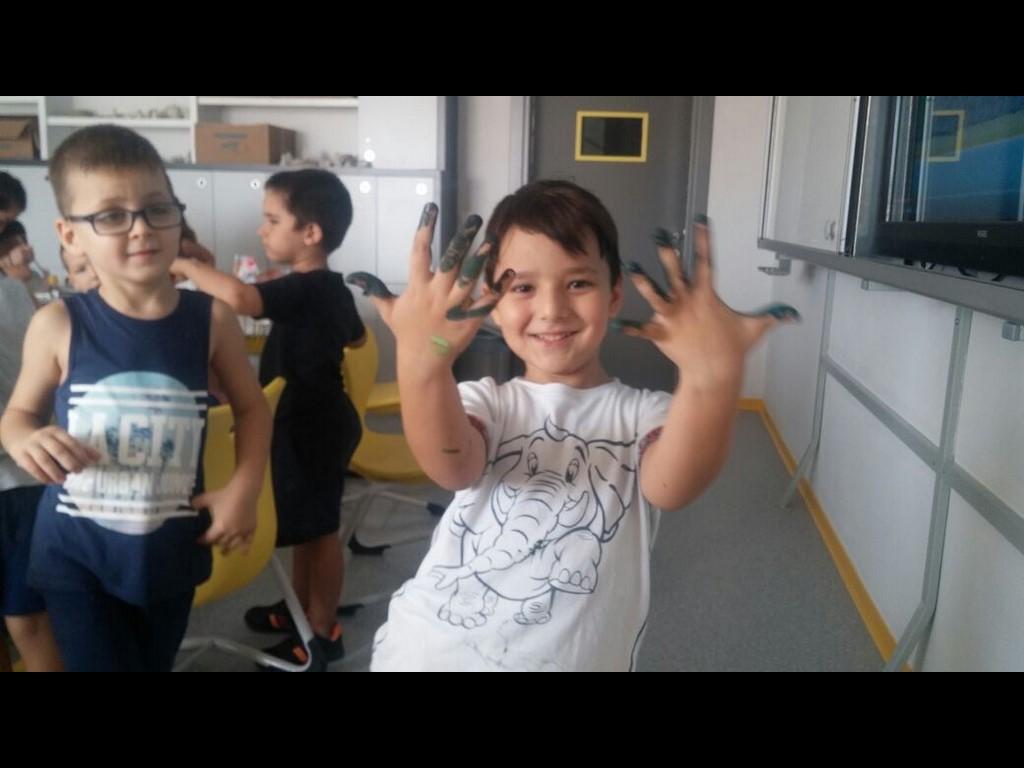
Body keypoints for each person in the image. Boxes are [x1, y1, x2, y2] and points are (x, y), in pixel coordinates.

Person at [350, 179, 798, 671]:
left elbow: (673, 487)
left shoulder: (643, 416)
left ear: (614, 294)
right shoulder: (486, 403)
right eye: (523, 287)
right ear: (492, 302)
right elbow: (451, 467)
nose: (552, 310)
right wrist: (421, 366)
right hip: (429, 651)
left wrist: (709, 382)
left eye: (578, 283)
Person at [0, 124, 271, 671]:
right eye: (111, 215)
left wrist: (244, 487)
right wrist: (26, 438)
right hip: (76, 554)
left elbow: (252, 408)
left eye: (156, 208)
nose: (141, 228)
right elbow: (17, 416)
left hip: (168, 550)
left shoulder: (212, 320)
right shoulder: (58, 323)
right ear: (70, 235)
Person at [171, 168, 365, 671]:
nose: (262, 230)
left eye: (272, 220)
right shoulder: (329, 288)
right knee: (307, 526)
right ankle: (300, 612)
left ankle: (322, 632)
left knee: (321, 532)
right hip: (316, 418)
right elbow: (358, 338)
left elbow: (242, 299)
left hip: (313, 425)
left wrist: (183, 265)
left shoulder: (309, 286)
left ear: (310, 233)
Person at [0, 227, 63, 672]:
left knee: (29, 619)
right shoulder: (13, 290)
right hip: (28, 474)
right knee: (30, 618)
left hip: (17, 478)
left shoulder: (13, 291)